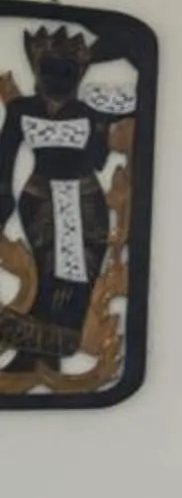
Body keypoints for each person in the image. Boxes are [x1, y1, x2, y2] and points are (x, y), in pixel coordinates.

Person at [0, 22, 134, 376]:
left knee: (80, 279)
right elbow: (4, 160)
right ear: (37, 70)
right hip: (41, 199)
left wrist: (104, 128)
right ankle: (35, 353)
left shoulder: (88, 111)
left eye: (66, 72)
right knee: (49, 275)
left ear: (78, 74)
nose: (57, 79)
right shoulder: (20, 109)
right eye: (50, 71)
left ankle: (53, 352)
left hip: (87, 200)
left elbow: (98, 161)